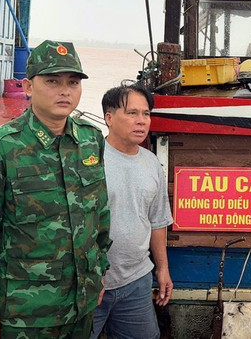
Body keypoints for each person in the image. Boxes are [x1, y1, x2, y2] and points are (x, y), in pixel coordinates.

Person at [0, 40, 112, 339]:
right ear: (29, 87)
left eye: (73, 82)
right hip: (25, 315)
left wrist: (97, 275)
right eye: (52, 81)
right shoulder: (1, 147)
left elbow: (100, 217)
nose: (65, 90)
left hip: (81, 307)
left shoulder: (91, 140)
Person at [91, 84, 173, 339]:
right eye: (132, 113)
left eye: (146, 114)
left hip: (136, 280)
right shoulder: (89, 161)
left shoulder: (150, 162)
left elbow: (157, 220)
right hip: (92, 283)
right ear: (109, 118)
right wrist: (88, 276)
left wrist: (162, 269)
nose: (141, 121)